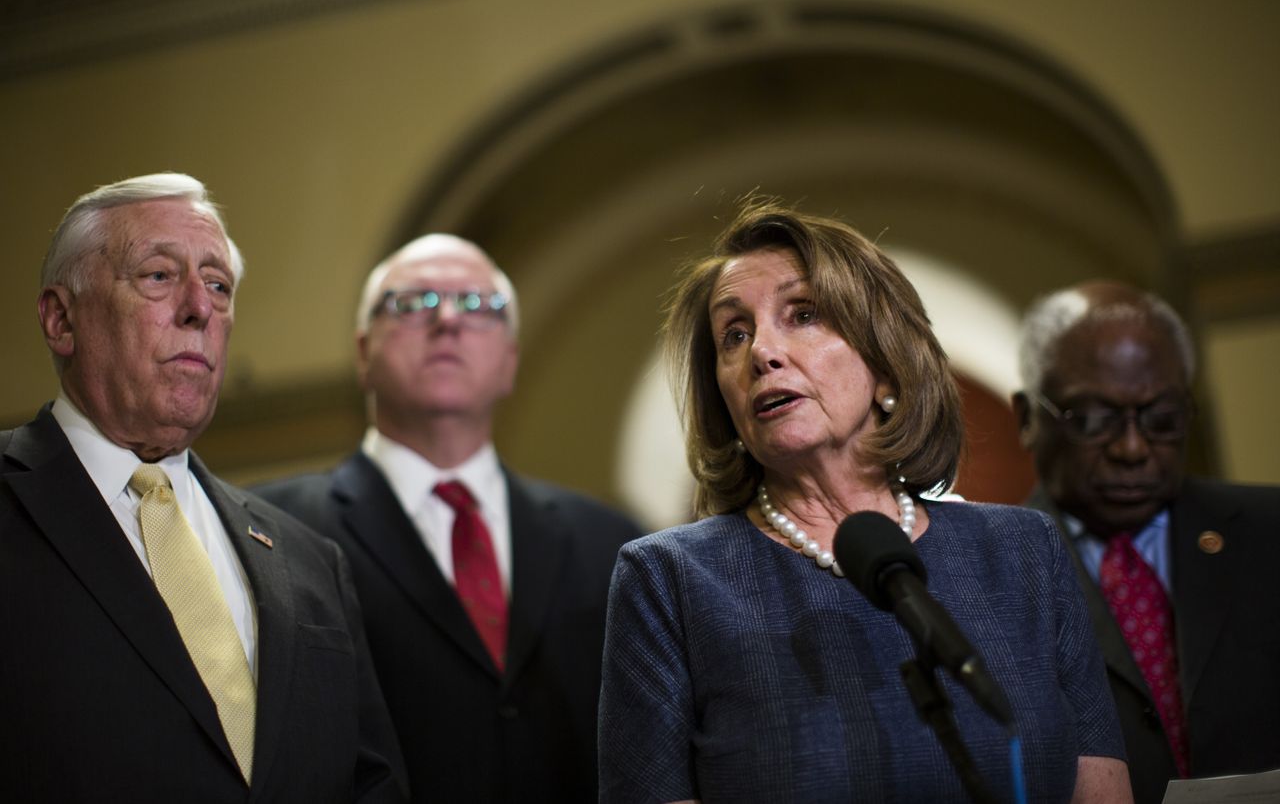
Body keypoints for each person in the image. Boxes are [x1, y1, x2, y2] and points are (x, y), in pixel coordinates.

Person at [598, 199, 1131, 804]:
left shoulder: (1025, 552)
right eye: (734, 334)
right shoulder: (668, 580)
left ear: (885, 365)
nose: (762, 353)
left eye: (803, 315)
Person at [0, 173, 406, 803]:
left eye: (218, 285)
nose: (199, 307)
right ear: (60, 319)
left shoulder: (309, 561)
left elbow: (373, 782)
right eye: (159, 276)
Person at [253, 232, 642, 803]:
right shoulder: (273, 531)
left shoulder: (612, 542)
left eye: (480, 307)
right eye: (415, 303)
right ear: (362, 354)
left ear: (509, 362)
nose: (450, 322)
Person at [1013, 280, 1280, 804]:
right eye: (1092, 419)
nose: (1133, 448)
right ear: (1027, 419)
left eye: (1162, 419)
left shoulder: (1270, 533)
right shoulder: (995, 576)